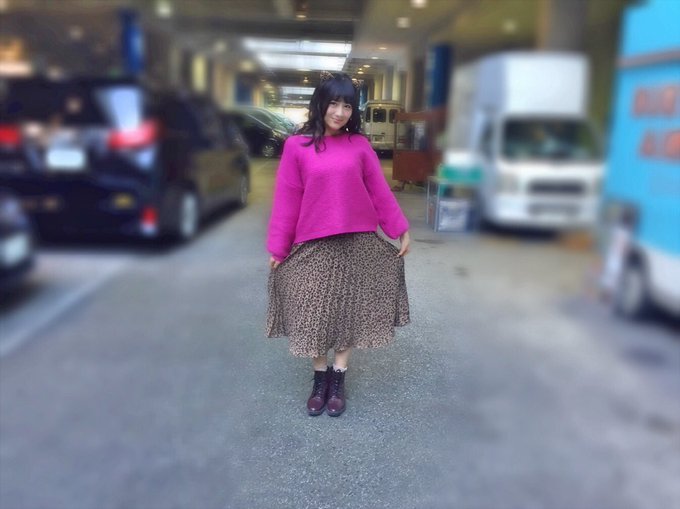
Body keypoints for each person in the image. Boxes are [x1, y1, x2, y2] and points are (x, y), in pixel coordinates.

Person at [266, 71, 411, 417]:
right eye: (334, 103)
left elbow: (378, 190)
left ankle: (338, 378)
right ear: (320, 104)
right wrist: (278, 248)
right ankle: (320, 379)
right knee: (314, 312)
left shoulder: (358, 145)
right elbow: (287, 199)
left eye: (347, 106)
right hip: (314, 243)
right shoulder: (296, 146)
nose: (340, 112)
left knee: (348, 311)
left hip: (357, 241)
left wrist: (399, 228)